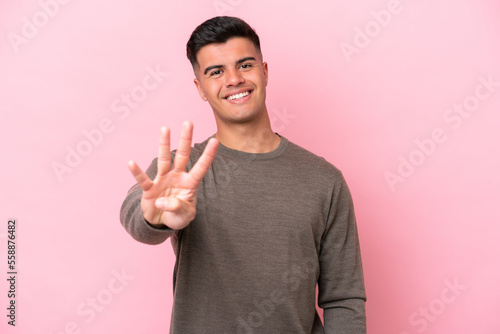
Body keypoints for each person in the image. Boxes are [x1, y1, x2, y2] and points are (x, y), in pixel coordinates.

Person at [120, 16, 366, 333]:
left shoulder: (325, 180)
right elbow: (138, 215)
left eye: (245, 65)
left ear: (264, 72)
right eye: (216, 72)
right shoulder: (181, 171)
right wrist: (156, 216)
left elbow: (344, 300)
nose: (234, 79)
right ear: (201, 89)